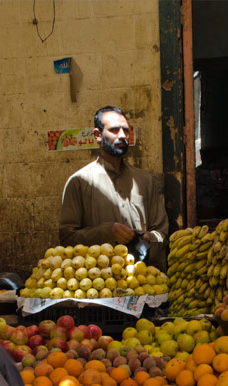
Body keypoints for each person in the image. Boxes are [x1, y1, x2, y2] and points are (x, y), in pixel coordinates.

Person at [59, 105, 169, 271]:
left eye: (126, 130)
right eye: (115, 130)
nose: (122, 136)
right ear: (97, 135)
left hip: (142, 280)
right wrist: (107, 232)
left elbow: (162, 232)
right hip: (97, 284)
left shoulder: (145, 180)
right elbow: (67, 237)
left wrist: (148, 237)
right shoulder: (79, 182)